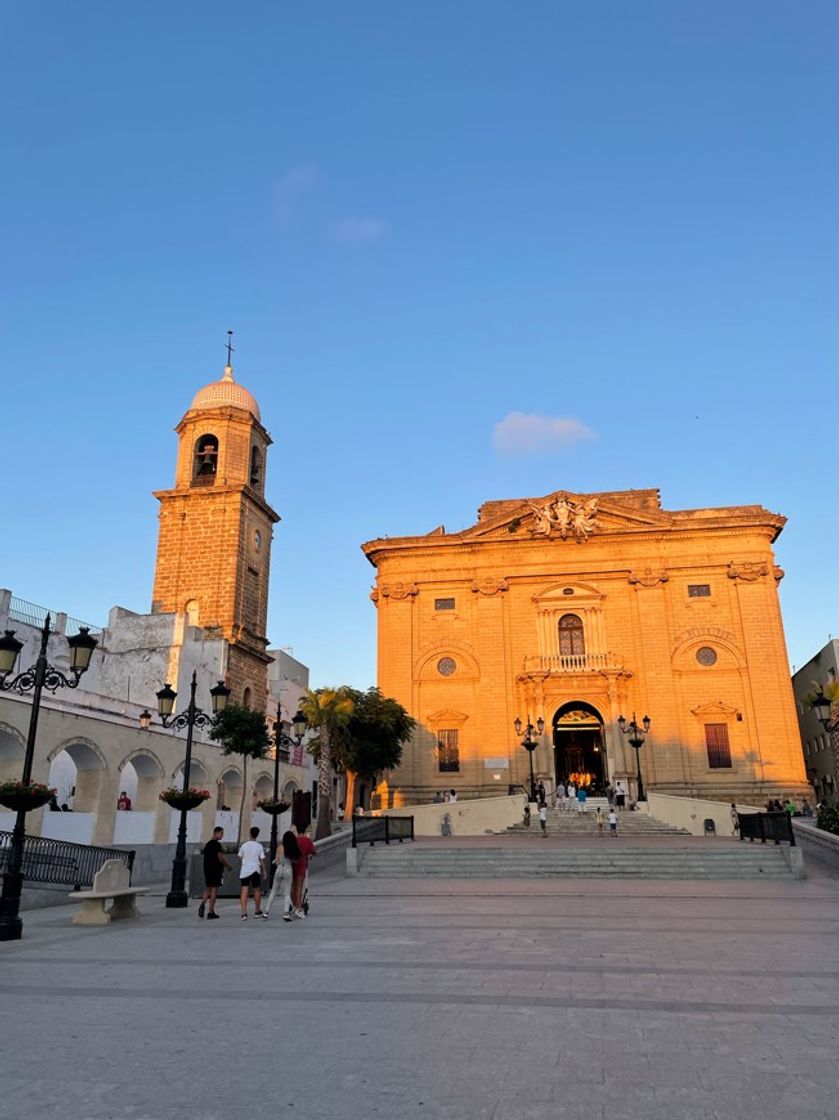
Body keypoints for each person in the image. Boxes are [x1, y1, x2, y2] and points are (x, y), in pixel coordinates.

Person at [265, 829, 299, 920]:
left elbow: (276, 860)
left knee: (273, 891)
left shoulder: (279, 847)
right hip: (288, 868)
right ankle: (286, 912)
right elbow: (295, 860)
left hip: (279, 868)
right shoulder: (291, 848)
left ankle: (266, 911)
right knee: (287, 892)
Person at [199, 826, 230, 919]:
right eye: (221, 833)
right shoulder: (216, 844)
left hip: (207, 869)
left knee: (208, 887)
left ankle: (202, 903)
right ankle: (211, 911)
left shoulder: (208, 844)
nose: (222, 836)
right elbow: (220, 857)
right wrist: (227, 865)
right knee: (214, 890)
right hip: (215, 870)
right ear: (216, 833)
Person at [238, 826, 267, 920]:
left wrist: (244, 863)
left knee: (244, 891)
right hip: (255, 870)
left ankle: (244, 913)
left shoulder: (244, 845)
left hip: (245, 870)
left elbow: (239, 856)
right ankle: (257, 910)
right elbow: (262, 859)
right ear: (257, 835)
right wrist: (264, 871)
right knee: (257, 890)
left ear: (250, 833)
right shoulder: (259, 846)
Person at [290, 826, 316, 918]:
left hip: (293, 865)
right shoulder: (307, 840)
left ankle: (293, 905)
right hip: (302, 865)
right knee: (299, 888)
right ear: (304, 832)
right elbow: (313, 851)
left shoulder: (294, 840)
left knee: (293, 886)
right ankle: (299, 908)